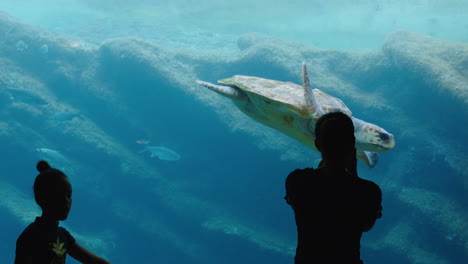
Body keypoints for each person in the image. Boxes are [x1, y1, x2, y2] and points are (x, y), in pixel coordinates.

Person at [285, 112, 382, 264]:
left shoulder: (298, 180)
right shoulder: (368, 191)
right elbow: (366, 226)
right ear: (353, 145)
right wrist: (353, 176)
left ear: (317, 144)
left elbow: (302, 209)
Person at [15, 160, 110, 264]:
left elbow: (93, 260)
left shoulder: (63, 235)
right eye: (58, 195)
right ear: (41, 199)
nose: (66, 201)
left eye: (69, 195)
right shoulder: (30, 236)